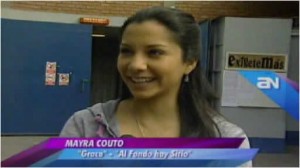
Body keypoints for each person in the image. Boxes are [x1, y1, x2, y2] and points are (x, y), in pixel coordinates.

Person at [60, 6, 251, 166]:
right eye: (126, 51)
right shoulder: (85, 126)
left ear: (190, 62)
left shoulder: (226, 140)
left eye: (155, 52)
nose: (136, 65)